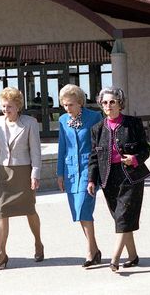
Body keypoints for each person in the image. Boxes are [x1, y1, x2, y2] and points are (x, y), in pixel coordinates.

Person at [87, 87, 150, 272]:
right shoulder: (97, 129)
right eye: (105, 102)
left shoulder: (133, 123)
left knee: (123, 216)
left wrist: (135, 158)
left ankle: (114, 258)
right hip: (108, 177)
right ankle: (132, 256)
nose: (108, 105)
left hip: (131, 176)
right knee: (121, 218)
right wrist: (92, 180)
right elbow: (94, 157)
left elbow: (145, 149)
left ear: (120, 103)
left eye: (112, 102)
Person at [0, 86, 44, 271]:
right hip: (4, 171)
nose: (6, 110)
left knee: (29, 210)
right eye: (4, 106)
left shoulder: (30, 123)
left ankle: (38, 242)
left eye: (10, 106)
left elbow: (35, 150)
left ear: (18, 106)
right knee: (1, 212)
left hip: (23, 171)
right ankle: (1, 253)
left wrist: (35, 174)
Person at [57, 84, 103, 267]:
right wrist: (60, 173)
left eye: (70, 105)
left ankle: (90, 251)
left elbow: (100, 146)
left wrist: (97, 173)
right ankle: (95, 248)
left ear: (80, 103)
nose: (67, 108)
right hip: (70, 171)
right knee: (78, 211)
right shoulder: (62, 120)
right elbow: (62, 148)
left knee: (84, 206)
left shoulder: (94, 117)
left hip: (88, 168)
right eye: (64, 105)